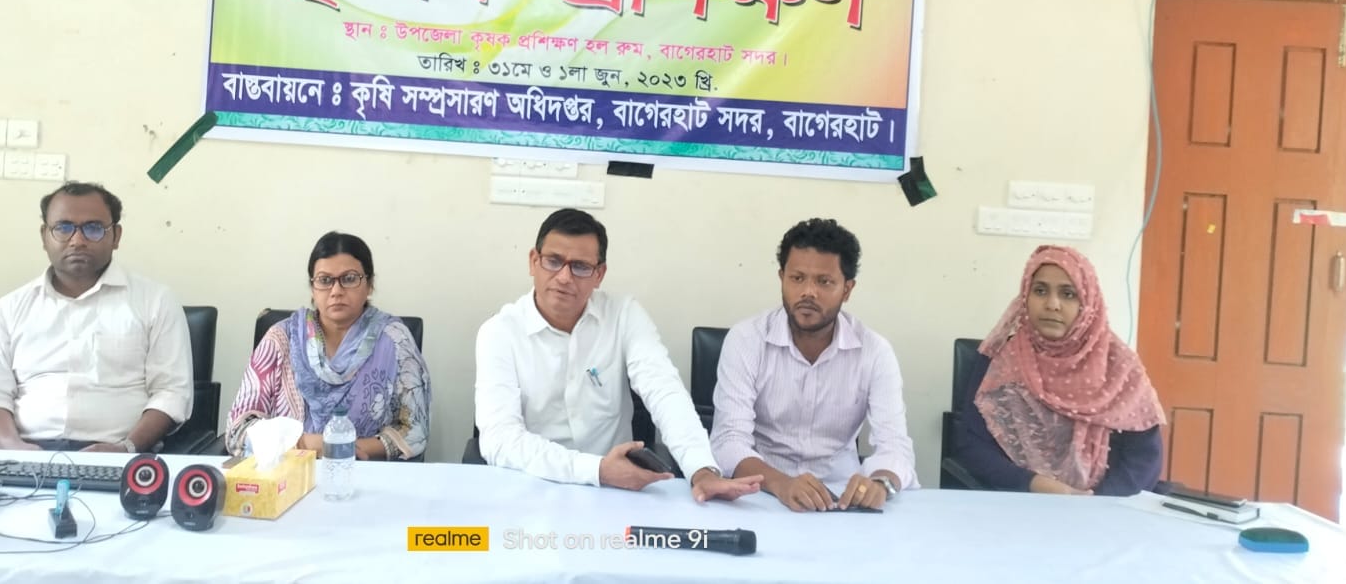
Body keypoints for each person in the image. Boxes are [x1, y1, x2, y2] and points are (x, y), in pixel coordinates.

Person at [474, 208, 762, 501]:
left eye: (580, 267)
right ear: (533, 261)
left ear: (599, 274)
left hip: (615, 494)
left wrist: (701, 468)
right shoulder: (499, 333)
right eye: (553, 261)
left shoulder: (624, 315)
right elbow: (500, 438)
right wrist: (597, 470)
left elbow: (664, 390)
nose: (564, 277)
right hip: (532, 487)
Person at [0, 182, 193, 452]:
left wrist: (126, 448)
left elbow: (171, 392)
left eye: (93, 228)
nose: (77, 241)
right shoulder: (9, 309)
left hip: (119, 456)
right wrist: (13, 448)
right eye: (63, 228)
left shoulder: (155, 302)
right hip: (25, 453)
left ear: (116, 236)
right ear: (44, 236)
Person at [710, 218, 916, 512]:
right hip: (761, 494)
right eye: (797, 278)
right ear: (781, 278)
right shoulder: (746, 340)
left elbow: (895, 445)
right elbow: (728, 440)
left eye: (824, 282)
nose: (808, 292)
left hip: (842, 497)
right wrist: (782, 484)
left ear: (847, 289)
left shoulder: (874, 352)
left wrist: (881, 483)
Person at [953, 244, 1165, 496]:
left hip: (1105, 506)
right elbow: (971, 445)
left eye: (1068, 294)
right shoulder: (999, 360)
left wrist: (1096, 501)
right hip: (1018, 500)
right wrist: (1035, 484)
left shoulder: (1120, 367)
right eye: (1040, 291)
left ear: (1088, 302)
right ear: (1025, 297)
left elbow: (1144, 459)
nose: (1052, 304)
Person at [225, 231, 430, 460]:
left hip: (367, 469)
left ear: (370, 285)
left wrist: (354, 449)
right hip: (286, 471)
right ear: (313, 289)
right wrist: (309, 445)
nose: (336, 291)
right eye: (325, 280)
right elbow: (239, 430)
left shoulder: (394, 341)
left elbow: (414, 429)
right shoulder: (281, 339)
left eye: (349, 278)